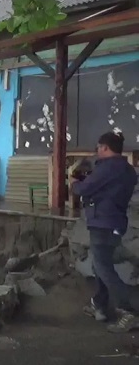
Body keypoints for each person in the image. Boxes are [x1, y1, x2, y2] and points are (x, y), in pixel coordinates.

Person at [71, 131, 138, 332]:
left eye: (99, 148)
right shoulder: (127, 169)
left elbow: (84, 189)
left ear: (105, 148)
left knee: (103, 267)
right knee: (101, 265)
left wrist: (74, 182)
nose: (97, 151)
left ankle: (128, 312)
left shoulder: (107, 168)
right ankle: (99, 306)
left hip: (103, 224)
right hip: (116, 224)